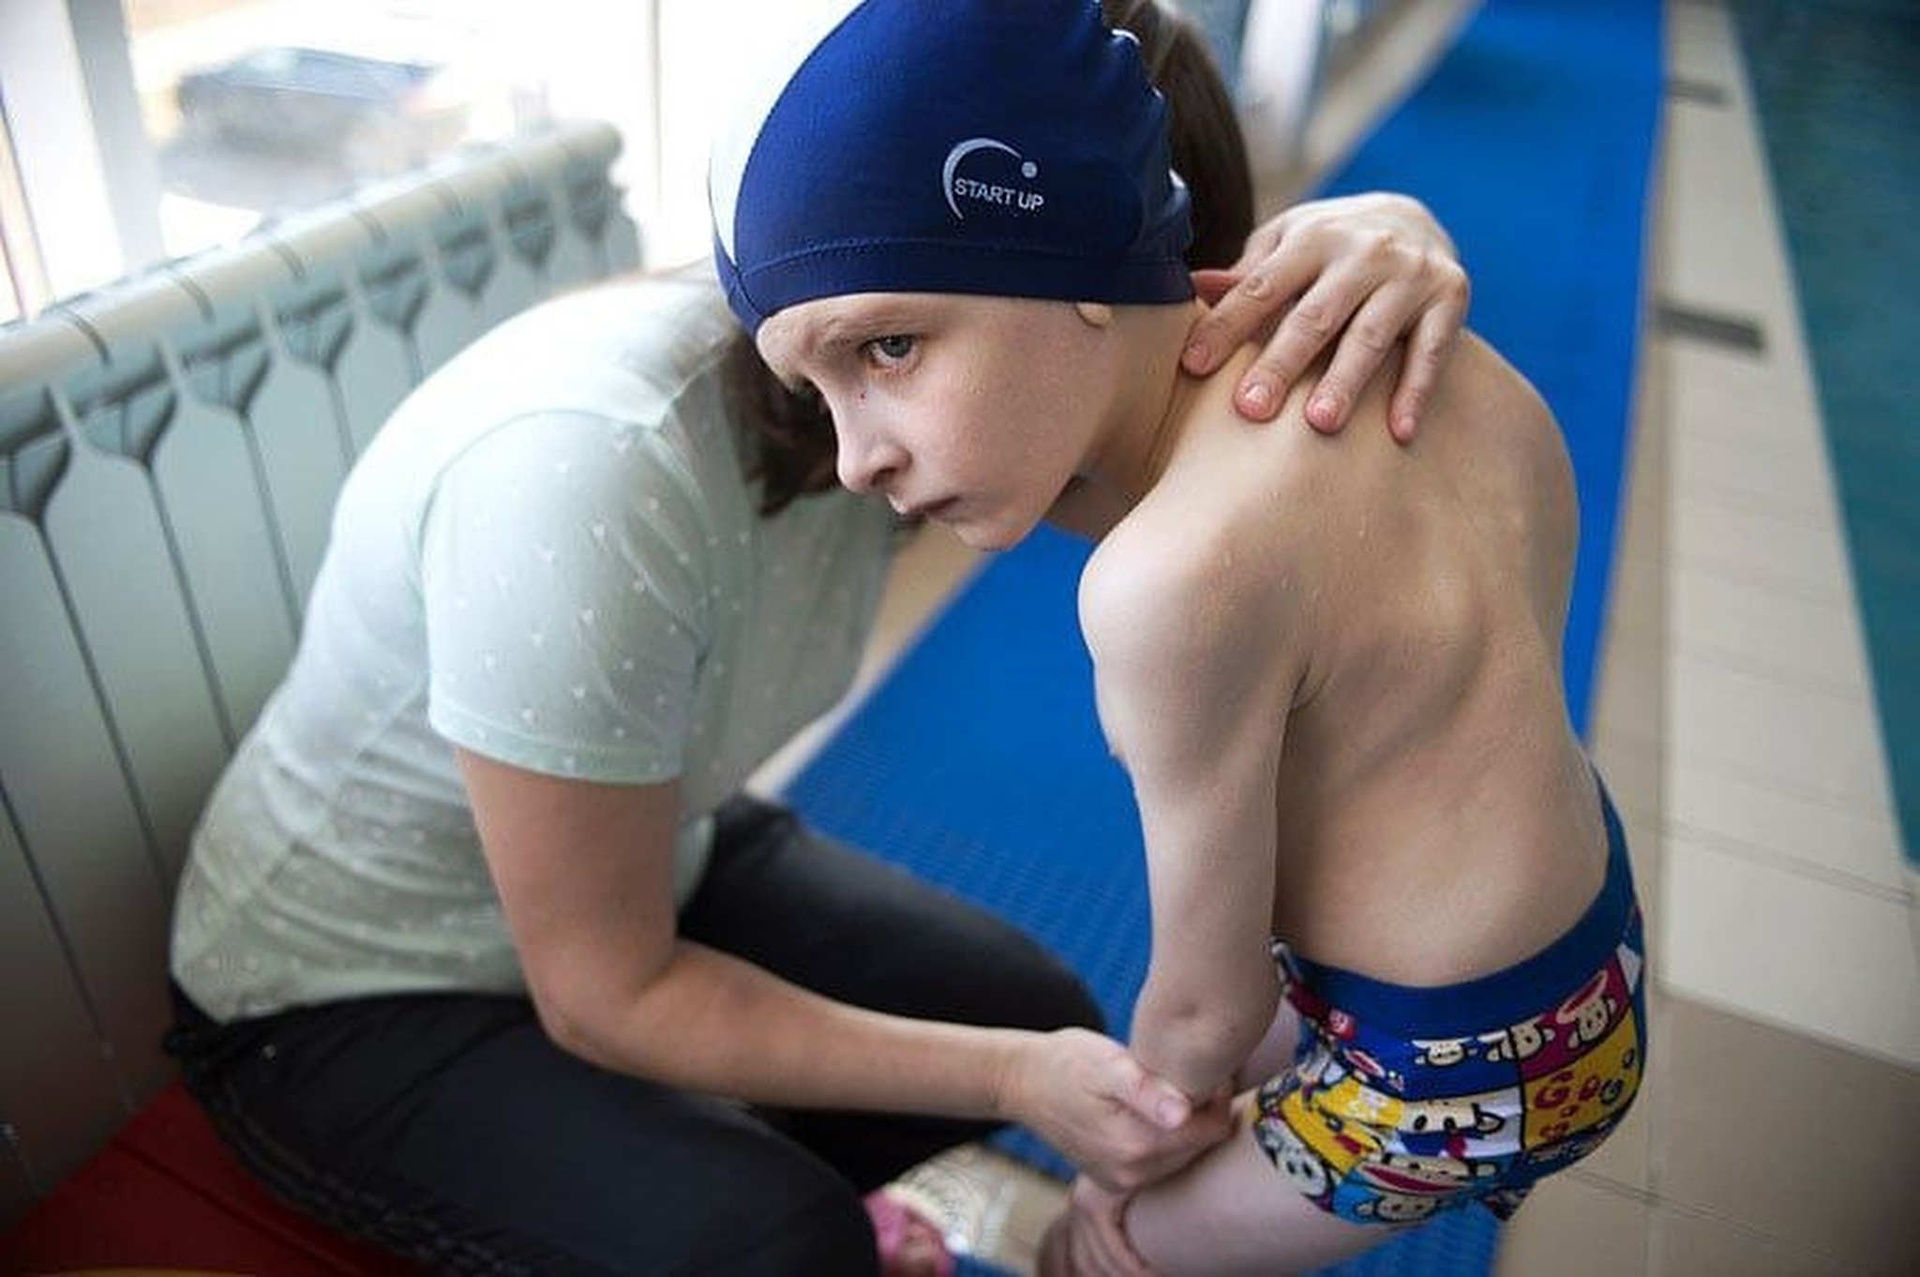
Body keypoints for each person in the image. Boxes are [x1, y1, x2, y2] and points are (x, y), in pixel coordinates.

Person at [161, 11, 1473, 1276]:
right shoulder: (601, 469)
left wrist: (1388, 231)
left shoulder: (924, 363)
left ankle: (700, 1168)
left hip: (653, 838)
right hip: (338, 1000)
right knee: (788, 1238)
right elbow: (601, 990)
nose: (861, 459)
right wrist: (1016, 1084)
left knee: (1027, 1007)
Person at [711, 2, 1647, 1274]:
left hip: (1449, 1064)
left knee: (1102, 1247)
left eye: (888, 345)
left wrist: (1127, 1157)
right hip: (1586, 936)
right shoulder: (1434, 360)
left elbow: (1210, 1006)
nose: (854, 456)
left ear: (1070, 246)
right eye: (821, 391)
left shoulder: (1169, 579)